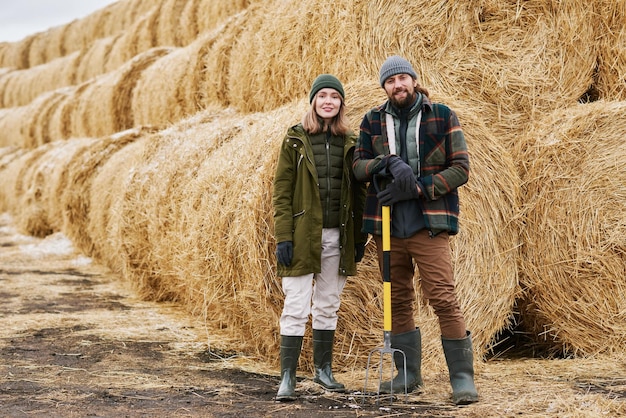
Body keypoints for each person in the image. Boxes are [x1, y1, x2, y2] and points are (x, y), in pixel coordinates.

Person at [352, 56, 478, 405]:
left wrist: (420, 187)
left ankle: (462, 377)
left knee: (443, 296)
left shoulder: (441, 115)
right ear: (384, 87)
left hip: (428, 224)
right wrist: (385, 162)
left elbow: (461, 169)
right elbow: (358, 166)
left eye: (403, 79)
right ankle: (407, 374)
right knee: (397, 299)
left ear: (414, 80)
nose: (398, 86)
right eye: (391, 82)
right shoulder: (372, 121)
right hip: (388, 226)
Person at [272, 74, 367, 402]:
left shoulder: (351, 141)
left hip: (337, 238)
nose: (328, 101)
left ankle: (323, 371)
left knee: (328, 304)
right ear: (313, 101)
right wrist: (283, 236)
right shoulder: (295, 140)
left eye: (334, 96)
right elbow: (281, 191)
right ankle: (287, 377)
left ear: (341, 103)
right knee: (296, 305)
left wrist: (359, 238)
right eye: (322, 95)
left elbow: (359, 193)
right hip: (302, 236)